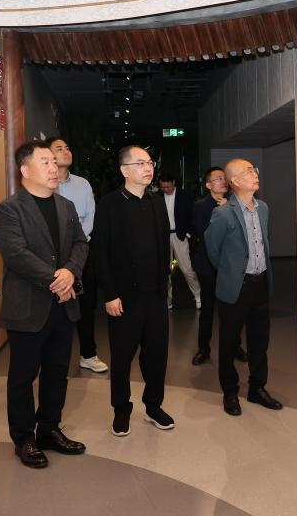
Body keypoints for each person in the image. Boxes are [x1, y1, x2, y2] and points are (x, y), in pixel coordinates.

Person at [0, 140, 88, 469]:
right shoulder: (9, 209)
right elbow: (16, 255)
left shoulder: (66, 206)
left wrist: (70, 271)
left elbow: (80, 244)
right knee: (22, 377)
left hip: (63, 306)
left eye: (54, 161)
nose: (53, 167)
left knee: (57, 373)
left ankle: (48, 429)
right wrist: (57, 280)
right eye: (45, 161)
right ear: (25, 170)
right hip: (28, 307)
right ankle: (24, 438)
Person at [93, 145, 174, 436]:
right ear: (124, 170)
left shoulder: (157, 202)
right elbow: (100, 252)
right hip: (124, 298)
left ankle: (153, 406)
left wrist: (165, 284)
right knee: (122, 357)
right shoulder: (109, 204)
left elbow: (164, 247)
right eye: (140, 163)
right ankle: (121, 409)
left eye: (150, 163)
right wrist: (110, 294)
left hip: (156, 295)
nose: (148, 168)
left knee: (156, 356)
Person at [205, 158, 282, 416]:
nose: (255, 174)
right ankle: (230, 392)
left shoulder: (263, 208)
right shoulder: (223, 213)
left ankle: (257, 388)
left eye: (254, 169)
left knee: (260, 341)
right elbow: (212, 249)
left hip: (260, 284)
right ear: (235, 181)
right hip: (235, 286)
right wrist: (230, 272)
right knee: (229, 342)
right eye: (249, 171)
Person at [47, 136, 108, 373]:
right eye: (59, 148)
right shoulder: (46, 184)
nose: (66, 151)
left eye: (67, 147)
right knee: (54, 306)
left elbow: (91, 216)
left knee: (86, 305)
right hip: (53, 255)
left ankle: (88, 354)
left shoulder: (83, 184)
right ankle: (53, 359)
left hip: (82, 253)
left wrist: (77, 242)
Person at [191, 166, 247, 365]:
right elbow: (207, 236)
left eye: (224, 178)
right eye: (218, 179)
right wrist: (223, 212)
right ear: (208, 185)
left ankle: (235, 346)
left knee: (232, 309)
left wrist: (230, 209)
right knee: (207, 309)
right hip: (207, 264)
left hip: (231, 265)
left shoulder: (236, 202)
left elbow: (242, 233)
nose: (223, 181)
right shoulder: (200, 206)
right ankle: (203, 349)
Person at [156, 171, 201, 310]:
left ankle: (198, 296)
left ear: (174, 183)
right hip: (163, 237)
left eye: (168, 186)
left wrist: (188, 233)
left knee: (186, 269)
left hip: (180, 235)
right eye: (163, 187)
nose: (166, 189)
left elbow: (193, 215)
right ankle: (167, 300)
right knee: (165, 271)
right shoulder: (157, 197)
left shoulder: (184, 196)